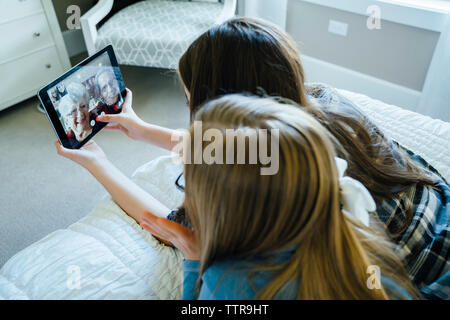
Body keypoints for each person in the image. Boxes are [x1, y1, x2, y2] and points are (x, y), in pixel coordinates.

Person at [56, 18, 449, 298]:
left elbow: (169, 226)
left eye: (192, 100)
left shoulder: (243, 210)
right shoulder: (322, 107)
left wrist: (98, 163)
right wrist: (142, 129)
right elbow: (236, 145)